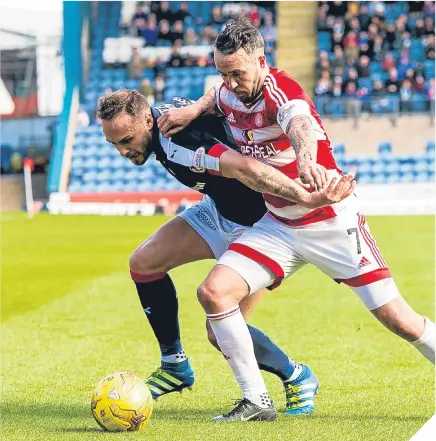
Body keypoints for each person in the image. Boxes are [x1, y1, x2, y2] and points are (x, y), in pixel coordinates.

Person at [157, 18, 436, 422]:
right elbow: (216, 97)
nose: (231, 82)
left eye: (238, 73)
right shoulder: (230, 89)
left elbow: (300, 123)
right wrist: (193, 109)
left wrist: (306, 160)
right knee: (214, 293)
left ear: (261, 61)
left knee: (400, 321)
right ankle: (256, 401)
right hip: (280, 226)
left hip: (330, 221)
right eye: (224, 73)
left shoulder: (280, 91)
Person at [96, 90, 355, 414]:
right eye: (114, 144)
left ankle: (297, 376)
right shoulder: (165, 123)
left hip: (265, 227)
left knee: (218, 330)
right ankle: (174, 364)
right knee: (144, 263)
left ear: (148, 120)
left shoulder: (180, 140)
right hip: (219, 212)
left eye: (126, 140)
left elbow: (247, 168)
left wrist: (303, 196)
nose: (122, 151)